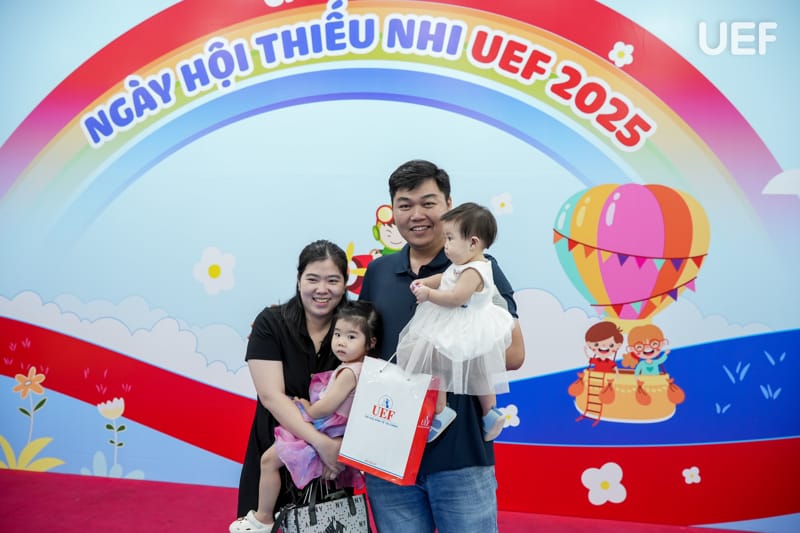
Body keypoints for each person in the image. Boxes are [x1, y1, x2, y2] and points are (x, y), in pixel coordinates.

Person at [359, 159, 525, 533]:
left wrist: (448, 349)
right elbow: (362, 349)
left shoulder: (479, 269)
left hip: (461, 457)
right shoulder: (379, 272)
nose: (416, 215)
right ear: (392, 211)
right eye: (405, 205)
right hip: (388, 454)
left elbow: (515, 355)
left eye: (428, 203)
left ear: (449, 204)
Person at [230, 301, 381, 532]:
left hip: (325, 429)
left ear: (370, 343)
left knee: (268, 461)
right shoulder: (362, 367)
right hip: (332, 433)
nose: (341, 342)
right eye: (338, 334)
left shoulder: (350, 372)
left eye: (351, 337)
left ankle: (263, 518)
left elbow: (326, 407)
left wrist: (307, 409)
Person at [232, 240, 349, 527]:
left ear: (345, 282)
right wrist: (321, 443)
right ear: (299, 280)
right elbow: (271, 396)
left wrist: (335, 448)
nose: (322, 289)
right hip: (275, 447)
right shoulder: (271, 323)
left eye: (333, 280)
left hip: (331, 464)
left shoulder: (355, 328)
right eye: (313, 279)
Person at [396, 202, 514, 442]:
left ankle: (442, 411)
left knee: (434, 362)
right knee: (476, 371)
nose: (446, 245)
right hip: (463, 323)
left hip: (463, 325)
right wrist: (428, 282)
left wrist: (428, 295)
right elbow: (445, 277)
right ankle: (490, 411)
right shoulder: (463, 265)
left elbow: (455, 297)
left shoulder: (474, 271)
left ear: (473, 243)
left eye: (450, 239)